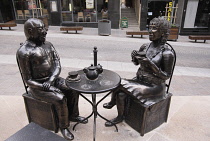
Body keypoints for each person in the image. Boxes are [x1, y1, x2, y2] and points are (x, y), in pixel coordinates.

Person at [16, 18, 87, 140]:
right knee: (60, 98)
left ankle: (74, 115)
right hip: (38, 86)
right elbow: (28, 80)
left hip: (52, 80)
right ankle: (64, 126)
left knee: (73, 88)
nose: (44, 32)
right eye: (40, 29)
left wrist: (51, 80)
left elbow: (57, 64)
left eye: (44, 28)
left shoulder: (49, 45)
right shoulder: (24, 52)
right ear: (30, 31)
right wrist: (45, 86)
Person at [103, 17, 175, 126]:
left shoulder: (167, 53)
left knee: (119, 82)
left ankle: (112, 102)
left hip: (154, 86)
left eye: (154, 28)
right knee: (121, 94)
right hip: (139, 80)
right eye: (150, 28)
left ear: (163, 32)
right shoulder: (145, 46)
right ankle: (120, 116)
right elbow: (137, 64)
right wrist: (134, 58)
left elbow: (166, 76)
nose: (150, 31)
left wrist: (152, 65)